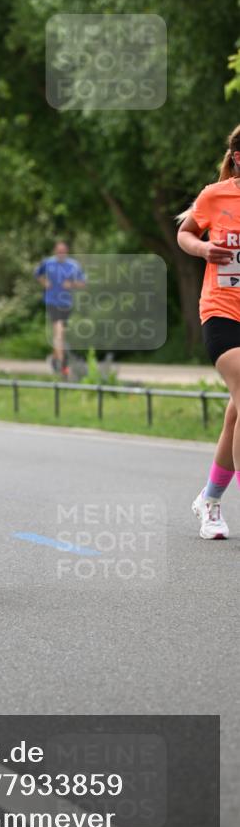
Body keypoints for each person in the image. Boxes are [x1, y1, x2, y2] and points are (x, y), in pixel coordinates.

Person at [177, 124, 240, 539]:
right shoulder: (215, 195)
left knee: (237, 410)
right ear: (237, 157)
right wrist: (203, 249)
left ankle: (211, 501)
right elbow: (184, 233)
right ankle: (214, 503)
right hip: (221, 312)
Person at [34, 240, 86, 377]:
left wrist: (72, 284)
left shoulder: (73, 266)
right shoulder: (48, 262)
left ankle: (54, 359)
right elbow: (37, 274)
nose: (61, 253)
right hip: (51, 301)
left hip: (66, 303)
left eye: (63, 251)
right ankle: (63, 366)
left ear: (66, 251)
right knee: (59, 331)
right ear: (55, 251)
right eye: (58, 251)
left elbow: (83, 282)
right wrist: (45, 282)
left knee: (59, 334)